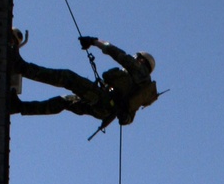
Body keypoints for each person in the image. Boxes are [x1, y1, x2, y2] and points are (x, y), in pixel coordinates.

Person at [10, 37, 159, 131]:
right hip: (103, 111)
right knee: (64, 102)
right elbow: (128, 118)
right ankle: (19, 107)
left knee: (67, 78)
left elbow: (117, 53)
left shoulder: (137, 70)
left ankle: (21, 67)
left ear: (140, 60)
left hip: (104, 100)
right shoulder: (142, 89)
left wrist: (94, 42)